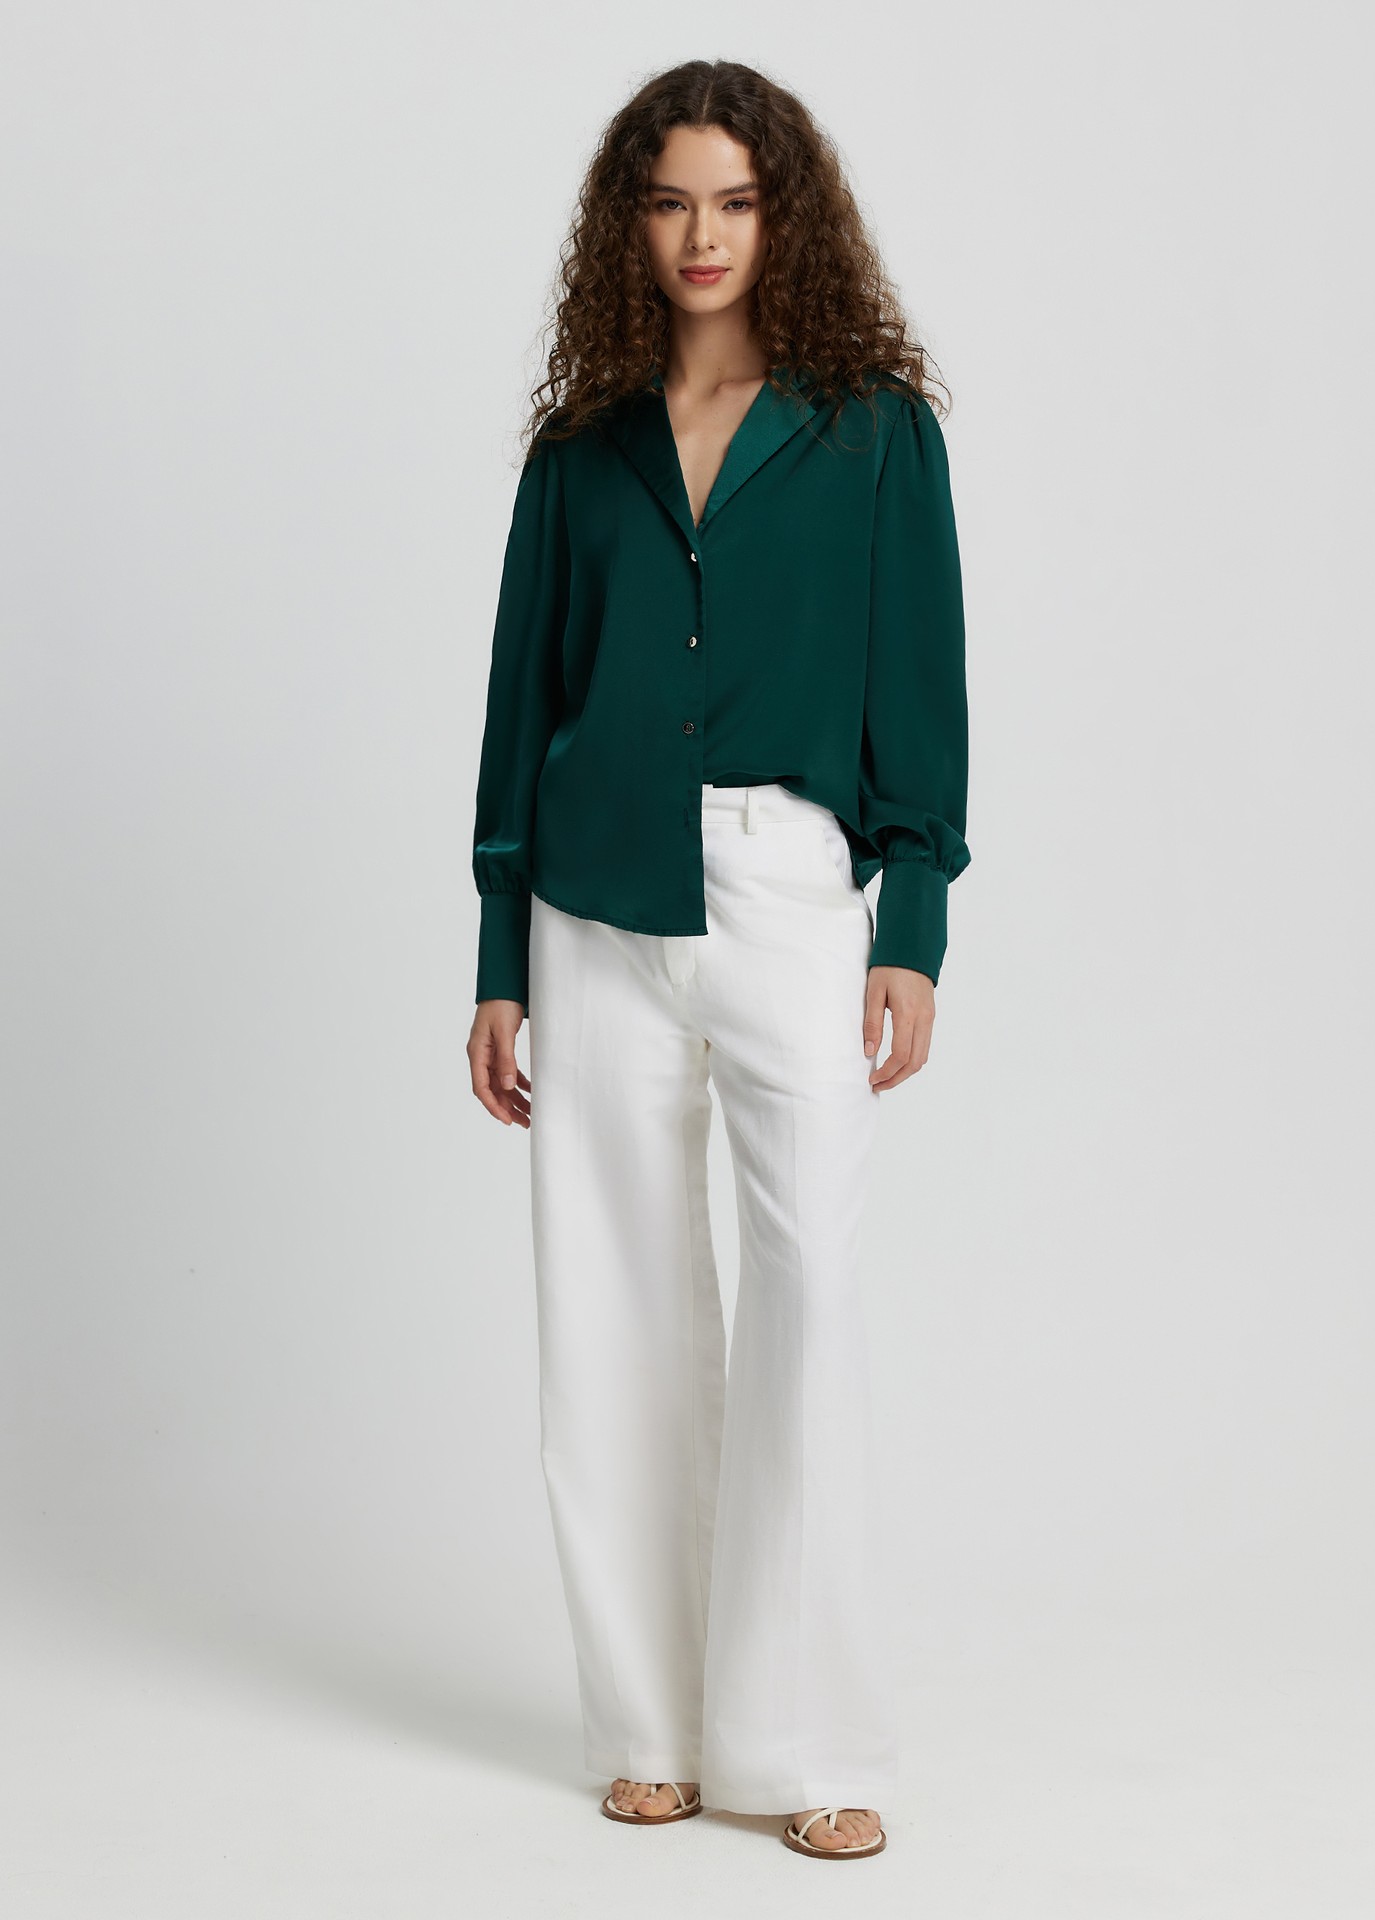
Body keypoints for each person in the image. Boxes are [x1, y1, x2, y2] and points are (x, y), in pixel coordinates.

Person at [465, 59, 970, 1861]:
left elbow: (922, 683)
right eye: (672, 200)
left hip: (786, 887)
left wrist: (913, 918)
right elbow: (522, 704)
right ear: (632, 219)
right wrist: (499, 953)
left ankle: (808, 1738)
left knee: (807, 1290)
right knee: (613, 1302)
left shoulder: (873, 431)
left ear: (786, 216)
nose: (703, 235)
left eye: (736, 201)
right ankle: (650, 1725)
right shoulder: (579, 448)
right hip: (592, 899)